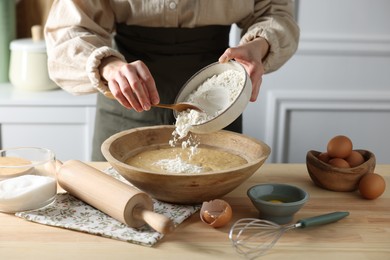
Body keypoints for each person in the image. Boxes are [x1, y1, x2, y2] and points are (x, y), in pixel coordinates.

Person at [45, 0, 299, 161]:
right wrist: (110, 67)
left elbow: (276, 12)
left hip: (217, 105)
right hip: (125, 101)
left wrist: (259, 45)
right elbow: (68, 31)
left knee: (211, 213)